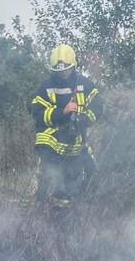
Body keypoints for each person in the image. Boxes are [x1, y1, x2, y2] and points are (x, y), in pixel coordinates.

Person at [28, 44, 99, 205]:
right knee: (50, 177)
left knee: (87, 175)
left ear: (73, 67)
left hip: (75, 142)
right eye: (59, 71)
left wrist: (83, 119)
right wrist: (63, 112)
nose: (62, 74)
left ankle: (76, 208)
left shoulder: (86, 85)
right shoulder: (46, 87)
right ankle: (41, 206)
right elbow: (38, 114)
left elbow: (97, 108)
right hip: (50, 142)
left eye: (66, 70)